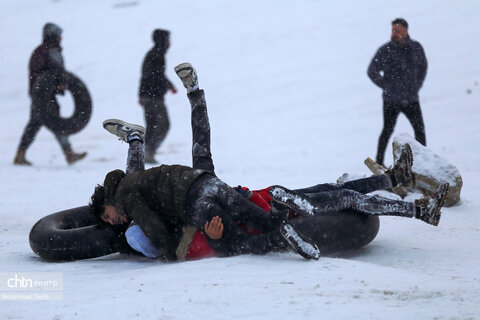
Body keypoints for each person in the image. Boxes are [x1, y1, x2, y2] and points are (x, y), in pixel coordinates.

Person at [13, 23, 87, 166]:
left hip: (40, 95)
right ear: (53, 35)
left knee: (37, 123)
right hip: (44, 96)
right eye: (59, 34)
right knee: (55, 122)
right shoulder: (50, 51)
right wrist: (60, 83)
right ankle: (68, 153)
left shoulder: (41, 51)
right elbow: (56, 70)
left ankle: (20, 154)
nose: (61, 38)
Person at [367, 18, 428, 166]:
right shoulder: (385, 50)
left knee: (419, 131)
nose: (394, 33)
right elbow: (372, 71)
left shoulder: (416, 48)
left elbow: (423, 67)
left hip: (411, 99)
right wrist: (386, 86)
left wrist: (416, 85)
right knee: (387, 131)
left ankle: (423, 164)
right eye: (393, 30)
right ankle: (379, 163)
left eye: (398, 31)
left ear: (406, 31)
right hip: (391, 100)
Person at [138, 29, 177, 164]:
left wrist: (169, 85)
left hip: (149, 96)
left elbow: (151, 75)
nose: (170, 43)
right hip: (153, 97)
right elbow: (154, 75)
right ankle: (148, 152)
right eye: (168, 40)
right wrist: (167, 85)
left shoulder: (154, 54)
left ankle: (147, 152)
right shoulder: (156, 55)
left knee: (153, 125)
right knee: (162, 125)